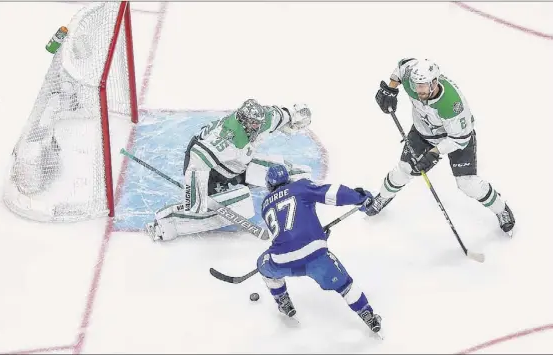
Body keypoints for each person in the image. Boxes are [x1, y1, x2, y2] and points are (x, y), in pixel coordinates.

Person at [367, 58, 515, 236]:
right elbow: (402, 66)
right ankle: (383, 197)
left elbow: (459, 139)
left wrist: (434, 153)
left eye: (423, 85)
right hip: (423, 133)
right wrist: (390, 89)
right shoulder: (411, 76)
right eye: (416, 85)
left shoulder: (453, 105)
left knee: (467, 184)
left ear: (434, 82)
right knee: (404, 170)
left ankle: (501, 209)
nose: (418, 90)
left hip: (456, 138)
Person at [146, 99, 313, 241]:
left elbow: (280, 115)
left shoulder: (264, 119)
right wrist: (195, 194)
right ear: (243, 120)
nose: (257, 127)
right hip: (210, 170)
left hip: (235, 164)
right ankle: (167, 224)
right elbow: (198, 158)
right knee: (234, 204)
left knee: (284, 171)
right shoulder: (226, 138)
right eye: (253, 123)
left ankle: (305, 185)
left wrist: (295, 115)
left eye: (259, 124)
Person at [256, 164, 382, 333]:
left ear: (269, 185)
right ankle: (368, 315)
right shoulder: (300, 187)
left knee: (262, 266)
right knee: (345, 285)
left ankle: (283, 301)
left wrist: (316, 234)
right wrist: (359, 197)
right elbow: (333, 194)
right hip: (315, 256)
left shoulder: (265, 204)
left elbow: (288, 234)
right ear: (288, 179)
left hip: (282, 260)